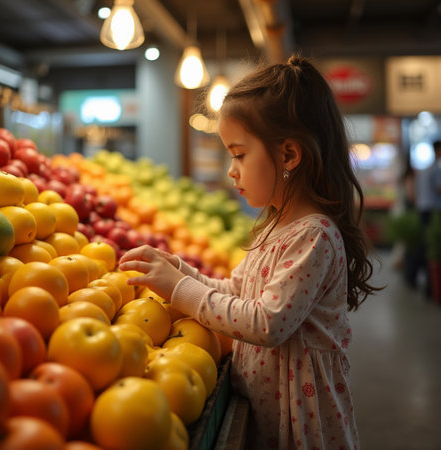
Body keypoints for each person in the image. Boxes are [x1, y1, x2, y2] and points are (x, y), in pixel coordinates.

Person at [119, 54, 381, 449]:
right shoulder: (275, 226)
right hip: (270, 411)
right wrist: (183, 272)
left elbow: (266, 322)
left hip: (302, 424)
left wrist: (179, 290)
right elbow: (237, 291)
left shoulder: (315, 236)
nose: (231, 169)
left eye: (239, 154)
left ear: (289, 155)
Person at [414, 140, 441, 296]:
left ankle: (423, 284)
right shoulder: (435, 169)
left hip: (422, 209)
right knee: (432, 247)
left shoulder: (423, 170)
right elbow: (438, 189)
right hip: (432, 210)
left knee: (424, 245)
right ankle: (430, 288)